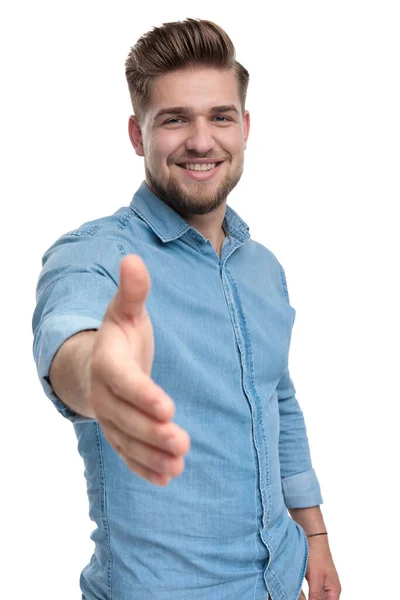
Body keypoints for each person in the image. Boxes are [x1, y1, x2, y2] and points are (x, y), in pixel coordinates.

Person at [32, 18, 341, 600]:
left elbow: (277, 399)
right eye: (174, 120)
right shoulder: (97, 253)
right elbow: (68, 335)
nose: (202, 141)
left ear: (244, 128)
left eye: (220, 117)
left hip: (279, 578)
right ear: (136, 133)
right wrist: (102, 374)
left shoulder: (263, 267)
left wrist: (315, 535)